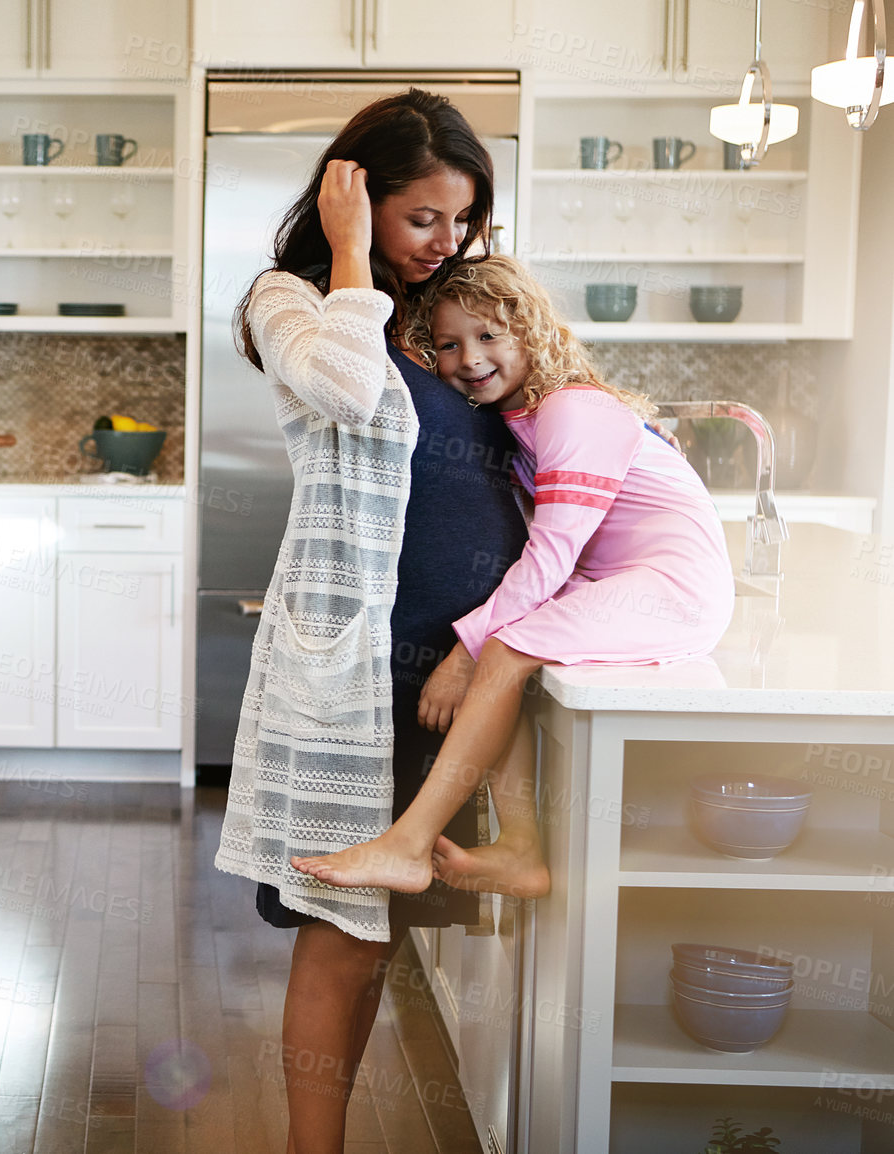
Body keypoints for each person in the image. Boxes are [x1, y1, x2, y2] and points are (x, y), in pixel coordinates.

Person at [212, 90, 523, 1154]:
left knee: (381, 928)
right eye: (421, 217)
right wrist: (348, 249)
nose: (447, 241)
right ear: (357, 193)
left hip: (453, 659)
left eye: (462, 218)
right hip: (355, 665)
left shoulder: (442, 305)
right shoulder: (288, 300)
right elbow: (346, 389)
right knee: (335, 932)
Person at [299, 253, 735, 900]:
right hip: (621, 585)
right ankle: (521, 849)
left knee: (503, 649)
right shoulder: (522, 417)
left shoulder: (571, 410)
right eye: (448, 344)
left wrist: (464, 651)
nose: (468, 358)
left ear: (531, 333)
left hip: (673, 591)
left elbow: (552, 555)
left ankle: (409, 845)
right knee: (508, 666)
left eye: (488, 336)